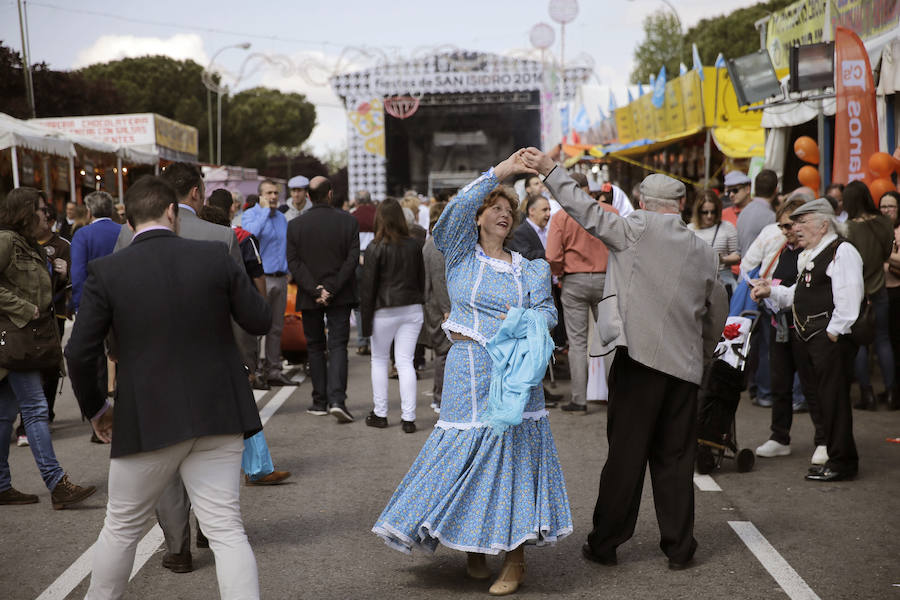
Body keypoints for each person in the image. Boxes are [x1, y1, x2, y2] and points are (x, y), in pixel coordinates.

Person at [373, 152, 572, 597]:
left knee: (515, 462)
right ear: (479, 216)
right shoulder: (460, 254)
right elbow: (455, 211)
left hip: (515, 376)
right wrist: (502, 173)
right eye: (495, 208)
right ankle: (475, 548)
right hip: (466, 371)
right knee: (467, 461)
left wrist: (524, 323)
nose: (504, 214)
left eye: (510, 210)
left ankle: (515, 560)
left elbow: (546, 314)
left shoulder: (530, 269)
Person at [65, 175, 271, 599]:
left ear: (128, 219)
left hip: (148, 415)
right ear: (172, 211)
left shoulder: (108, 271)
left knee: (121, 527)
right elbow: (259, 319)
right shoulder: (214, 255)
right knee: (227, 529)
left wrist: (98, 409)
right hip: (219, 409)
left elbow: (79, 352)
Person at [526, 147, 727, 571]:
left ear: (641, 203)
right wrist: (701, 356)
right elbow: (717, 311)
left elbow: (583, 209)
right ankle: (679, 548)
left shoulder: (634, 229)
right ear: (680, 206)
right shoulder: (703, 249)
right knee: (675, 460)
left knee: (626, 455)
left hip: (638, 361)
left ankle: (606, 543)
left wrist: (550, 170)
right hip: (684, 367)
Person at [113, 161, 246, 575]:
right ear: (191, 194)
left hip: (151, 370)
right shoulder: (222, 236)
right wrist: (240, 362)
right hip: (211, 367)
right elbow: (243, 312)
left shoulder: (127, 233)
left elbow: (114, 303)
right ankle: (212, 524)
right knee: (211, 455)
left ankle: (177, 547)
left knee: (164, 464)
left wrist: (120, 360)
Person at [751, 198, 864, 482]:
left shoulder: (842, 250)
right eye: (796, 222)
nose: (796, 228)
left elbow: (850, 297)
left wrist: (834, 331)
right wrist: (771, 292)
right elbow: (796, 295)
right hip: (815, 339)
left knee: (833, 400)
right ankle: (837, 457)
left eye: (803, 221)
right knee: (826, 399)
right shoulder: (812, 253)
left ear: (823, 224)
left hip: (829, 340)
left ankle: (842, 461)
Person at [0, 187, 96, 509]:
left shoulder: (31, 246)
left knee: (5, 414)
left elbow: (38, 290)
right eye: (41, 209)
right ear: (26, 211)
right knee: (36, 409)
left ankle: (1, 485)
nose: (47, 214)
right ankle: (57, 485)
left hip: (25, 341)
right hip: (14, 340)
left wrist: (59, 277)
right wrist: (25, 309)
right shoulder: (6, 241)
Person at [751, 198, 828, 465]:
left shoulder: (813, 252)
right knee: (780, 384)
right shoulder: (785, 249)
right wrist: (766, 287)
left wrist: (772, 289)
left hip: (803, 328)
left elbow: (802, 291)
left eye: (788, 225)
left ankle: (824, 440)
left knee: (810, 385)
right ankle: (779, 437)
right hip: (779, 325)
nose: (784, 231)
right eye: (782, 226)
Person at [286, 176, 359, 422]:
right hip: (340, 293)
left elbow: (294, 262)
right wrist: (332, 287)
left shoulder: (296, 225)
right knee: (338, 346)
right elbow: (352, 259)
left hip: (309, 295)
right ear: (330, 194)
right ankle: (338, 399)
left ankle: (319, 401)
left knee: (315, 348)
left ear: (308, 196)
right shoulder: (348, 222)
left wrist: (315, 290)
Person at [546, 178, 618, 413]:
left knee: (576, 344)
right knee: (610, 340)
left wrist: (560, 273)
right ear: (589, 189)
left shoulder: (561, 216)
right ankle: (617, 397)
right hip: (606, 278)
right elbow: (622, 245)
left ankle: (579, 400)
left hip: (574, 280)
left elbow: (553, 256)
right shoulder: (608, 211)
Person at [360, 198, 425, 433]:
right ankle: (409, 418)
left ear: (380, 219)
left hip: (384, 310)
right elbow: (421, 279)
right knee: (405, 361)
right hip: (412, 308)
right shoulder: (415, 245)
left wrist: (364, 325)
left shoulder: (374, 247)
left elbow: (368, 289)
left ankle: (381, 413)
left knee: (379, 360)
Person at [14, 197, 71, 446]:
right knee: (28, 366)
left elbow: (67, 284)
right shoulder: (16, 243)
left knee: (49, 365)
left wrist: (64, 274)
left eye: (47, 215)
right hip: (24, 317)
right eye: (40, 214)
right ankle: (30, 419)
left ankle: (42, 414)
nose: (44, 221)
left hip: (52, 314)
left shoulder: (61, 245)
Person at [205, 190, 270, 391]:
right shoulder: (243, 237)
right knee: (244, 356)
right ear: (232, 208)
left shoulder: (198, 236)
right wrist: (262, 300)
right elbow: (257, 273)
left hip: (207, 306)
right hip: (239, 305)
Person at [842, 181, 896, 410]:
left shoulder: (848, 229)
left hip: (858, 294)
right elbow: (887, 253)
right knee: (883, 340)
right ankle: (893, 393)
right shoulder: (884, 223)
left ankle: (867, 394)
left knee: (860, 344)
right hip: (880, 289)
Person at [241, 180, 297, 387]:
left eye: (276, 193)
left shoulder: (282, 219)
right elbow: (250, 235)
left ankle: (274, 370)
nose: (274, 197)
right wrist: (264, 212)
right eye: (269, 193)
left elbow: (287, 246)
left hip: (280, 278)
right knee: (256, 328)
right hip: (260, 279)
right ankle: (254, 372)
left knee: (276, 328)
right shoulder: (250, 215)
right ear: (260, 196)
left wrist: (289, 270)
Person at [70, 191, 121, 313]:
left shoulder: (82, 234)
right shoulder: (124, 231)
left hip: (94, 302)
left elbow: (78, 272)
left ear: (89, 212)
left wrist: (78, 304)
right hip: (122, 299)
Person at [422, 201, 450, 413]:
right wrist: (446, 310)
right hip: (438, 307)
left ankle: (439, 397)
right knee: (444, 353)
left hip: (434, 305)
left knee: (444, 353)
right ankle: (440, 398)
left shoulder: (432, 241)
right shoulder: (437, 244)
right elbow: (439, 280)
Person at [688, 190, 740, 296]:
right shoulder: (689, 230)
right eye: (705, 212)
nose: (709, 216)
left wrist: (722, 260)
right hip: (697, 280)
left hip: (723, 278)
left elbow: (737, 255)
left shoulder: (727, 227)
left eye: (713, 211)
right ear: (698, 212)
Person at [880, 191, 900, 410]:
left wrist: (882, 252)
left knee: (895, 343)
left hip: (897, 292)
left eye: (891, 206)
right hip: (880, 291)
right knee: (883, 342)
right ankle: (890, 387)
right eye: (883, 206)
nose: (886, 211)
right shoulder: (880, 230)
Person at [353, 189, 377, 355]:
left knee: (360, 303)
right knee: (376, 301)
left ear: (356, 201)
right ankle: (376, 339)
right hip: (375, 256)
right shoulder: (377, 216)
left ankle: (362, 340)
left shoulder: (352, 217)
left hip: (357, 259)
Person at [736, 169, 778, 258]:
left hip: (744, 269)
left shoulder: (743, 212)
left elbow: (739, 250)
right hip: (758, 270)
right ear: (776, 190)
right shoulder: (770, 217)